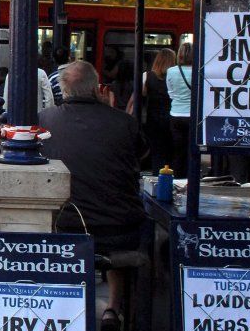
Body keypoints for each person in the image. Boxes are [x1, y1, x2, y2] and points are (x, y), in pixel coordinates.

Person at [39, 61, 145, 331]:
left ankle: (65, 307)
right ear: (98, 88)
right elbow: (143, 155)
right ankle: (112, 308)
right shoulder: (124, 122)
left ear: (63, 90)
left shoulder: (46, 120)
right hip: (120, 229)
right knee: (120, 229)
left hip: (67, 227)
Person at [142, 48, 174, 174]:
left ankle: (158, 174)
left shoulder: (147, 76)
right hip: (171, 116)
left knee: (156, 150)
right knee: (170, 149)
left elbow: (142, 95)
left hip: (153, 117)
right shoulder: (174, 76)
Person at [166, 42, 193, 178]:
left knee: (178, 151)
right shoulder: (199, 70)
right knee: (191, 150)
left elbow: (170, 93)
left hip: (175, 114)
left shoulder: (171, 71)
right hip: (192, 116)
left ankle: (177, 178)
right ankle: (190, 178)